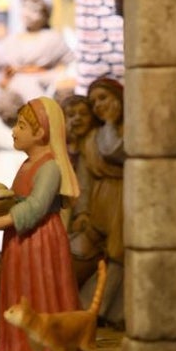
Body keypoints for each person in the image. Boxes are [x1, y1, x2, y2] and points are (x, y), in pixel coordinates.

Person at [0, 96, 81, 351]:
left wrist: (5, 220)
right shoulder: (26, 165)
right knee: (21, 288)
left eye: (22, 126)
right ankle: (20, 348)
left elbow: (37, 206)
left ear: (40, 132)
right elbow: (18, 199)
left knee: (40, 290)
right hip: (22, 238)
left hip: (41, 239)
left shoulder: (49, 167)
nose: (14, 130)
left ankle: (46, 349)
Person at [70, 75, 125, 325]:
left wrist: (112, 123)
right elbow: (84, 181)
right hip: (101, 206)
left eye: (104, 98)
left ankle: (103, 310)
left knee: (118, 256)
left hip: (123, 204)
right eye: (94, 102)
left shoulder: (124, 129)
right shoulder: (94, 137)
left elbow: (116, 151)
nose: (99, 106)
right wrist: (82, 212)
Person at [0, 0, 74, 105]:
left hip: (38, 96)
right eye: (25, 7)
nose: (27, 14)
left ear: (46, 14)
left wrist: (50, 77)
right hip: (14, 96)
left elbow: (69, 64)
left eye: (34, 10)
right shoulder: (14, 39)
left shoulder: (53, 38)